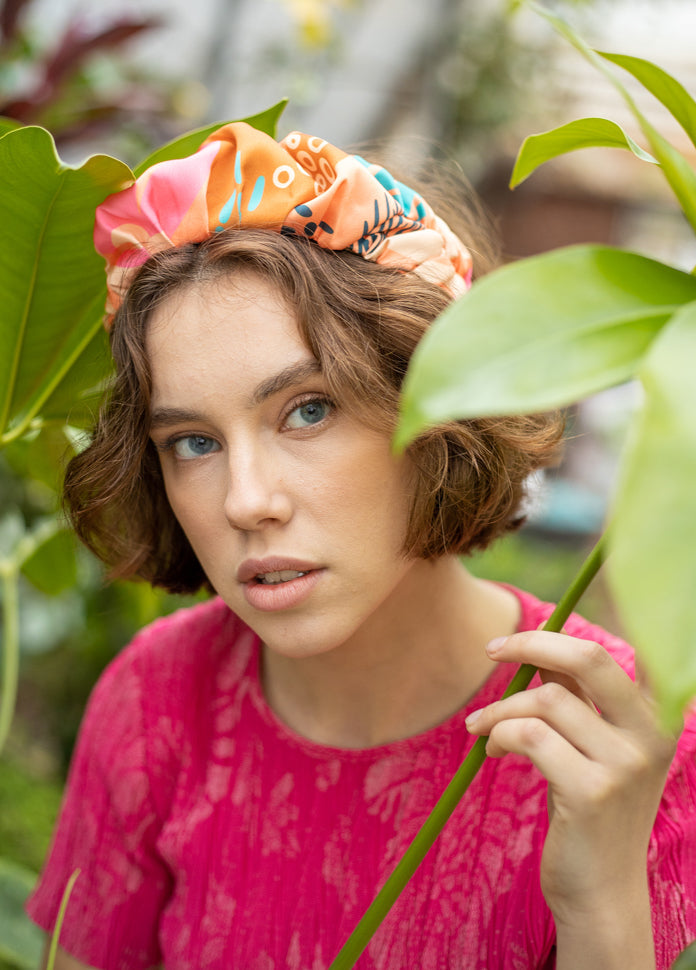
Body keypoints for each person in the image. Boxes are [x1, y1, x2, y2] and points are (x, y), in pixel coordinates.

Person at [26, 123, 696, 970]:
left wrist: (602, 903)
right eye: (192, 441)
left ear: (437, 404)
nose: (247, 501)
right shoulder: (158, 702)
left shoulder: (616, 747)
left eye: (308, 409)